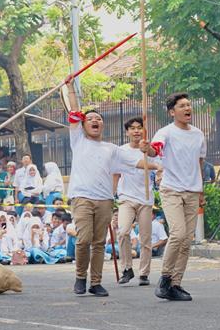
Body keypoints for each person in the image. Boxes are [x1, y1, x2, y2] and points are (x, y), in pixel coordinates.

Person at [66, 81, 144, 297]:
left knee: (99, 242)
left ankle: (96, 282)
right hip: (81, 197)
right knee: (83, 239)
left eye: (98, 119)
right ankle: (80, 277)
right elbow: (74, 111)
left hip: (105, 200)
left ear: (103, 125)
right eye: (90, 119)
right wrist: (71, 88)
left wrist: (156, 164)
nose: (95, 121)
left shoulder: (111, 149)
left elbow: (135, 161)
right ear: (82, 125)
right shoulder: (78, 140)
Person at [140, 92, 206, 302]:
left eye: (189, 105)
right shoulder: (165, 133)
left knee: (186, 240)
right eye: (182, 106)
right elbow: (154, 150)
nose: (187, 109)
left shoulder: (198, 134)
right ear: (172, 112)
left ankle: (176, 284)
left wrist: (201, 190)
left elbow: (200, 162)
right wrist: (147, 148)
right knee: (177, 233)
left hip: (192, 191)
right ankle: (165, 278)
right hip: (171, 190)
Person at [115, 116, 160, 287]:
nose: (136, 131)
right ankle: (127, 268)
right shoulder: (121, 151)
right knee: (123, 232)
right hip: (126, 197)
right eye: (132, 128)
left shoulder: (149, 150)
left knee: (145, 238)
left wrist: (149, 153)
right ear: (127, 132)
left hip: (146, 199)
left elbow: (158, 166)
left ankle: (144, 273)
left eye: (139, 128)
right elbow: (116, 173)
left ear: (144, 130)